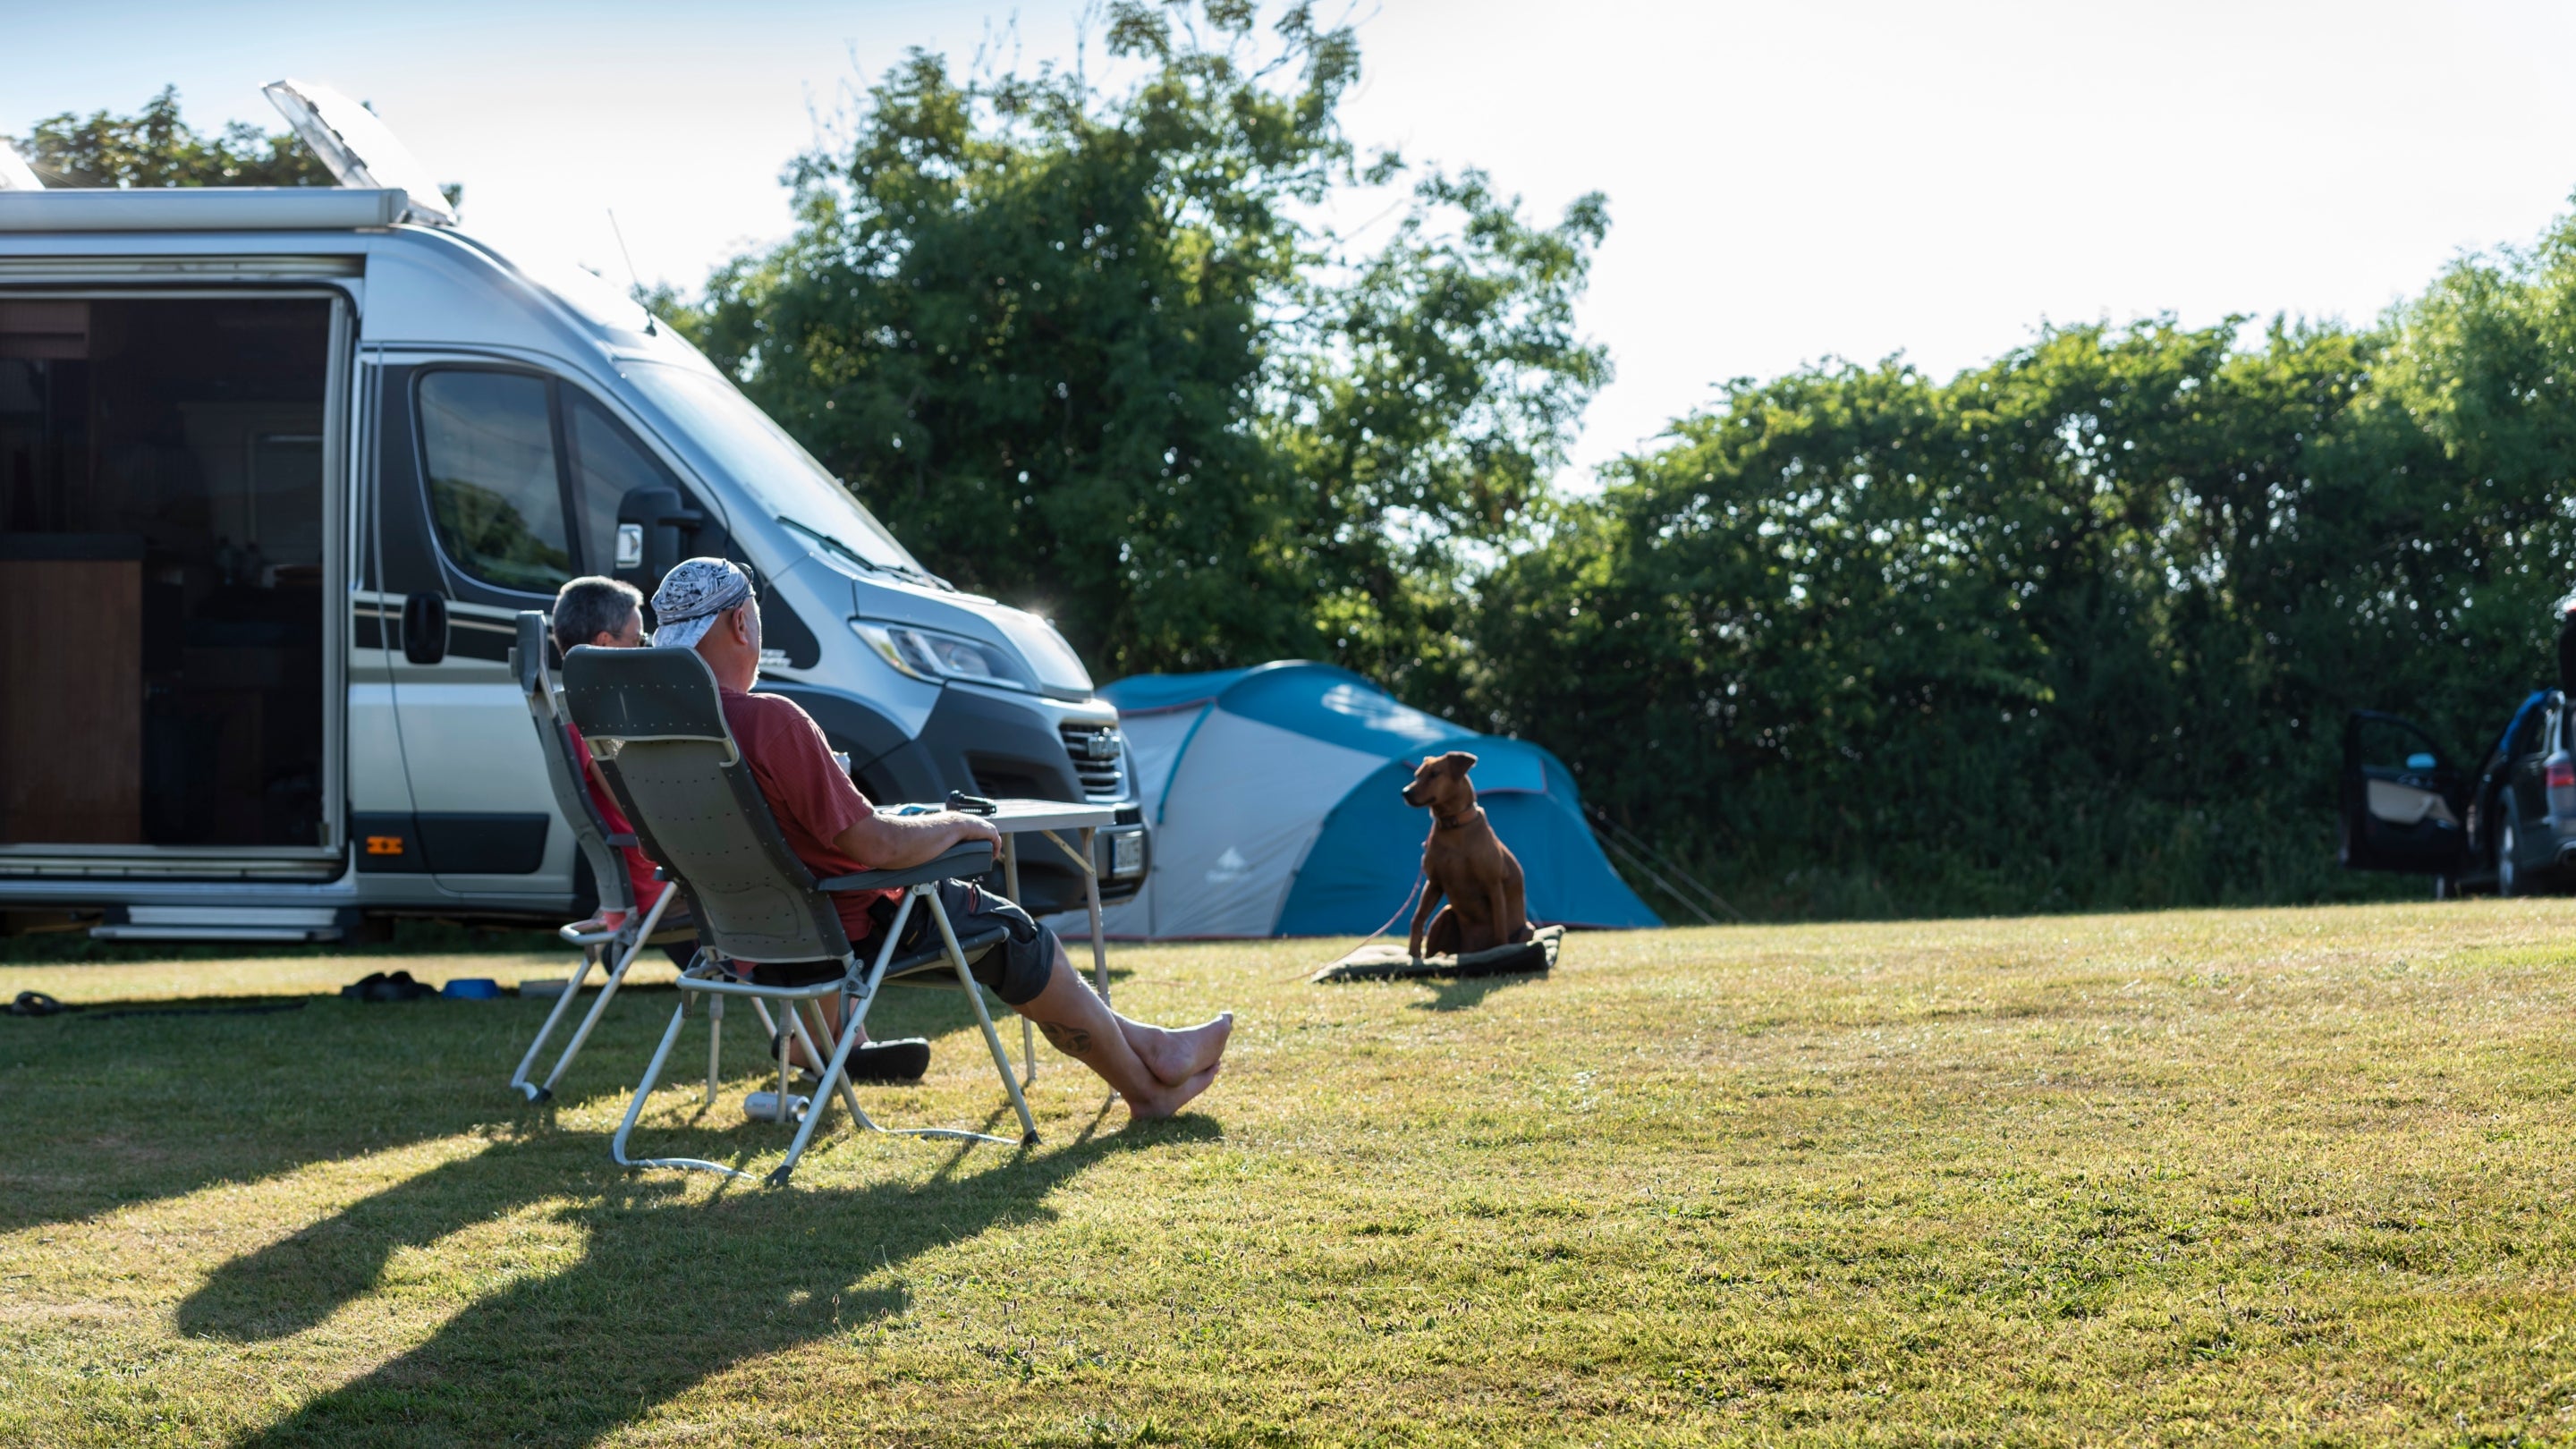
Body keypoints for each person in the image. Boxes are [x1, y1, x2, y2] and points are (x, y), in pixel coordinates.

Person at [647, 557, 1229, 1119]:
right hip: (851, 930)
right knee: (1015, 936)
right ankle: (1146, 1091)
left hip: (738, 941)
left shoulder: (649, 743)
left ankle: (1154, 1047)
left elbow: (666, 851)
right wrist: (955, 824)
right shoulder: (772, 721)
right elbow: (879, 846)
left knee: (996, 927)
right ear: (742, 624)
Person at [548, 577, 665, 934]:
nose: (645, 649)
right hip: (660, 882)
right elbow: (640, 808)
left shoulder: (570, 708)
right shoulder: (597, 717)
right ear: (605, 643)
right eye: (638, 639)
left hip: (632, 882)